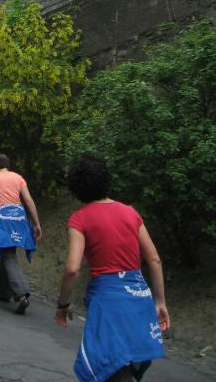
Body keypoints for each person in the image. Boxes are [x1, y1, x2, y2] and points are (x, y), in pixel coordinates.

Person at [55, 155, 171, 382]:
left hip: (108, 301)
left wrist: (63, 304)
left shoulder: (80, 219)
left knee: (108, 367)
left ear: (77, 188)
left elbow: (72, 269)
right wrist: (160, 302)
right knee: (126, 363)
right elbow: (154, 260)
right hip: (139, 296)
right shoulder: (130, 212)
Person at [0, 152, 42, 315]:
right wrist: (36, 223)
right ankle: (3, 293)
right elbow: (28, 200)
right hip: (19, 217)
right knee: (7, 250)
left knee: (8, 254)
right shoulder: (18, 178)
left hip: (3, 218)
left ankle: (21, 295)